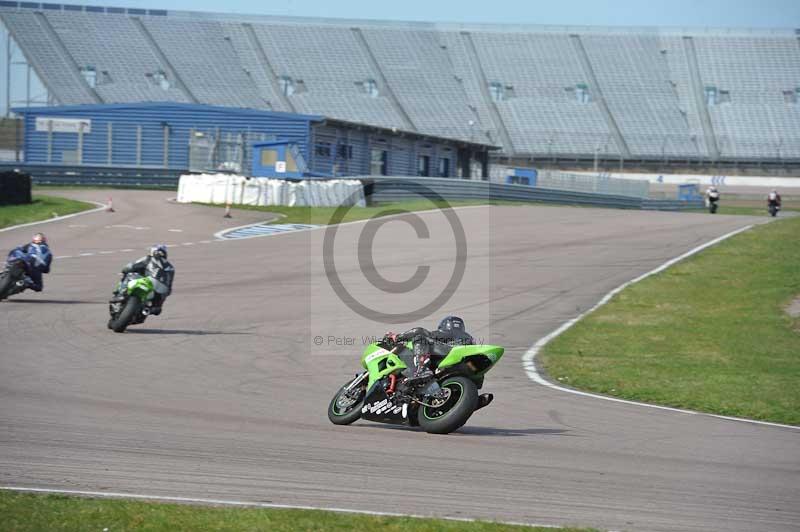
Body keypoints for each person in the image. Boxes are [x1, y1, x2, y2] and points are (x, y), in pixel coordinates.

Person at [385, 316, 474, 386]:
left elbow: (420, 331)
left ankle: (421, 369)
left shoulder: (444, 333)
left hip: (449, 352)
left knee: (420, 336)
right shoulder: (469, 337)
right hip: (465, 366)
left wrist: (397, 337)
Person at [118, 244, 174, 315]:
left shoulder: (149, 258)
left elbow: (132, 266)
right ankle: (148, 309)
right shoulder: (170, 267)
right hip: (159, 291)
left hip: (147, 284)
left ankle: (120, 293)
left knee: (129, 275)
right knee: (157, 308)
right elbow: (169, 286)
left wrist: (125, 270)